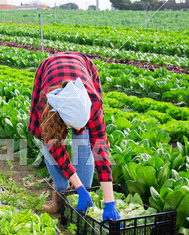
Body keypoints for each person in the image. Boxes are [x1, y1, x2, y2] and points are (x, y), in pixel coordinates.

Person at [29, 51, 120, 222]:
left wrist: (110, 202)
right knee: (49, 148)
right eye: (73, 126)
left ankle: (82, 197)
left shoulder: (93, 104)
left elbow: (101, 153)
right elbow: (56, 151)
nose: (78, 129)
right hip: (50, 68)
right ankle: (61, 196)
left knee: (83, 143)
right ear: (62, 118)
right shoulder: (47, 108)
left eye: (84, 123)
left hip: (81, 64)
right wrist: (76, 187)